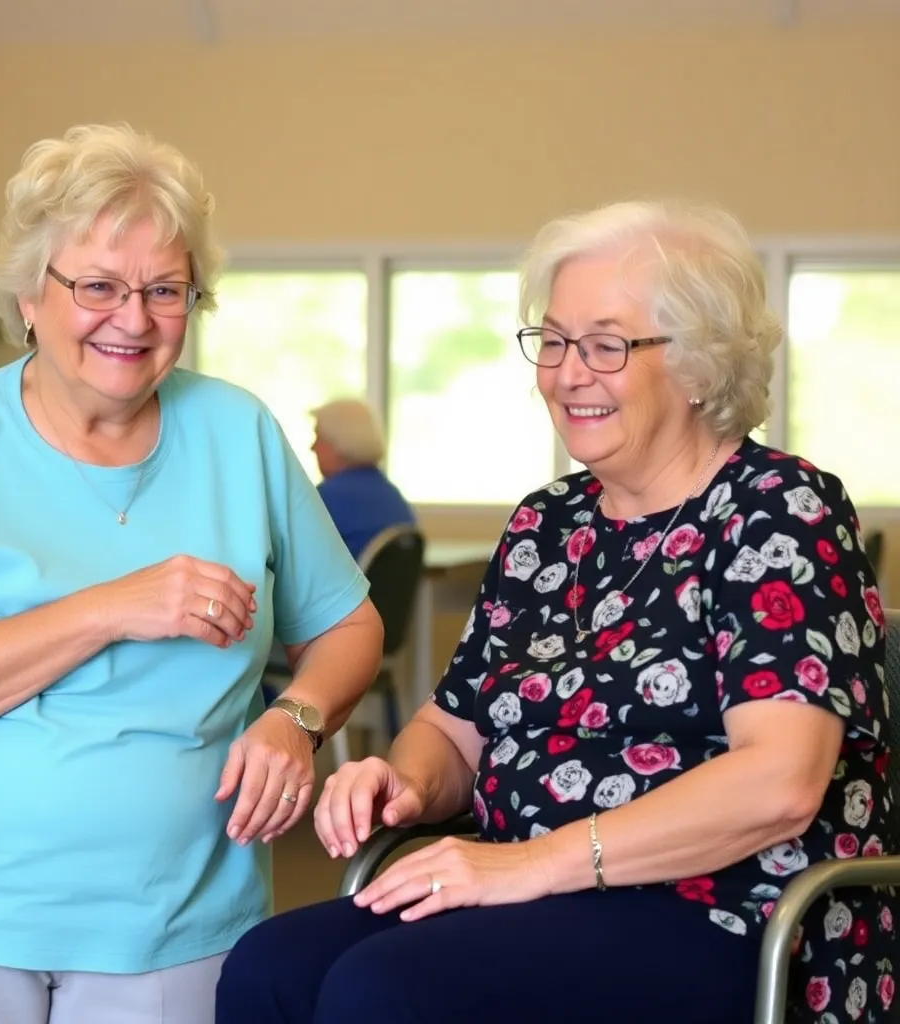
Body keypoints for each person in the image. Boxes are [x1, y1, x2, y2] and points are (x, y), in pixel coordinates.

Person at [215, 199, 895, 1024]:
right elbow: (453, 731)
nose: (569, 372)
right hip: (530, 888)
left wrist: (532, 865)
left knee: (387, 992)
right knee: (269, 969)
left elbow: (779, 783)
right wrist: (402, 780)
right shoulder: (549, 523)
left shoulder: (777, 508)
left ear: (699, 362)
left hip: (726, 912)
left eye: (607, 345)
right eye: (555, 341)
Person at [0, 123, 383, 1024]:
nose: (135, 318)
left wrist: (295, 720)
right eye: (99, 286)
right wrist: (111, 607)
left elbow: (349, 627)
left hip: (179, 914)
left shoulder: (239, 434)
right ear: (31, 294)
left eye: (165, 290)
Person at [310, 397, 416, 561]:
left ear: (338, 443)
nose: (312, 447)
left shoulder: (327, 498)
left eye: (318, 437)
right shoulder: (390, 494)